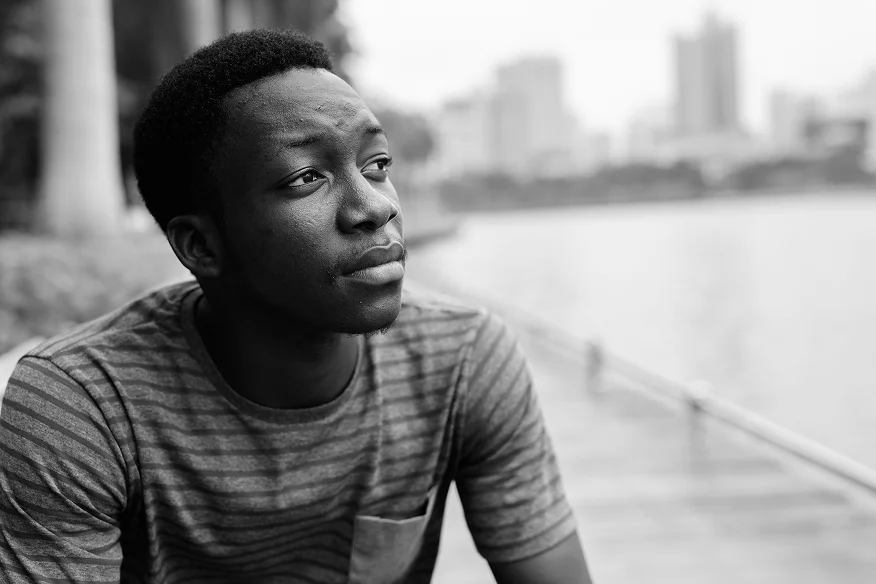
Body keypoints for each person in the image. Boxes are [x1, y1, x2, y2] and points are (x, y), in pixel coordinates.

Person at [0, 29, 592, 583]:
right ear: (202, 245)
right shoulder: (81, 410)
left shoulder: (463, 361)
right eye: (306, 177)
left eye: (376, 164)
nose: (375, 207)